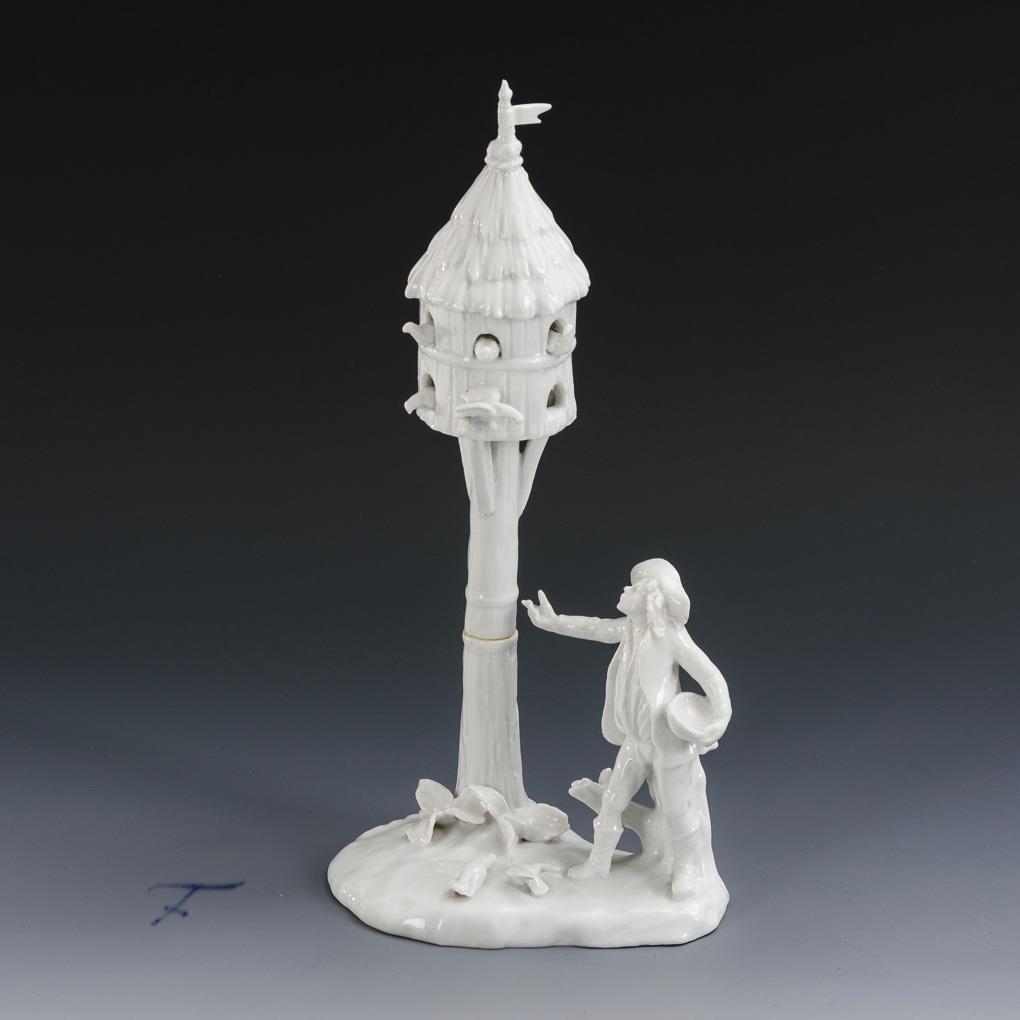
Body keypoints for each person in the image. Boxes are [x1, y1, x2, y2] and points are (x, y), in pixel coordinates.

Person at [523, 558, 731, 899]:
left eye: (634, 587)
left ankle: (686, 870)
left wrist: (716, 720)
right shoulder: (629, 631)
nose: (625, 589)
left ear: (651, 598)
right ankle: (598, 863)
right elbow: (594, 628)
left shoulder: (671, 637)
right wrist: (554, 622)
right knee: (611, 802)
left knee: (678, 811)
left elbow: (711, 676)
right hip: (636, 741)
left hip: (668, 742)